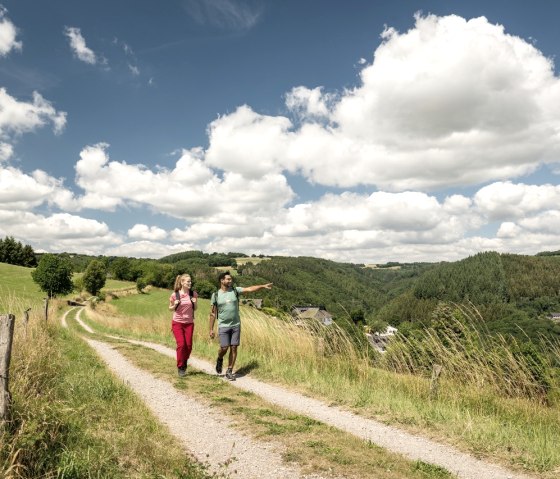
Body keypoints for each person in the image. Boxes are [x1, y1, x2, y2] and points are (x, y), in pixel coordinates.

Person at [209, 271, 272, 381]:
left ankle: (229, 370)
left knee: (234, 347)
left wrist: (262, 286)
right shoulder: (216, 295)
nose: (230, 280)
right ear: (222, 280)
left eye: (230, 279)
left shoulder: (235, 290)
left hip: (236, 325)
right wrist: (210, 329)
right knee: (224, 347)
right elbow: (213, 313)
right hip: (223, 325)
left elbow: (249, 289)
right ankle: (220, 358)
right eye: (228, 279)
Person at [169, 274, 197, 377]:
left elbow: (195, 308)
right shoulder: (175, 295)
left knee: (189, 346)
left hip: (189, 323)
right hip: (177, 323)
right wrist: (175, 304)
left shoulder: (193, 294)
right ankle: (181, 367)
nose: (190, 283)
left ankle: (184, 360)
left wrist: (194, 302)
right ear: (182, 282)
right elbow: (170, 308)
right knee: (181, 345)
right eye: (188, 282)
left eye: (190, 281)